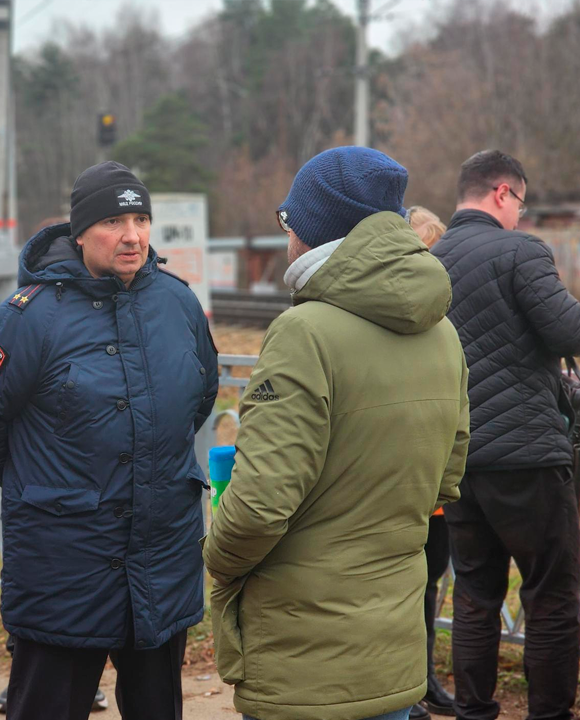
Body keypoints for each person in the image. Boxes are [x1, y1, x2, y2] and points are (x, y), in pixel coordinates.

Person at [201, 146, 470, 720]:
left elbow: (257, 509)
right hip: (392, 648)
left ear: (315, 232)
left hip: (305, 662)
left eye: (288, 221)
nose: (285, 236)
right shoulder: (442, 331)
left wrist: (216, 558)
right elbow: (447, 478)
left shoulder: (304, 332)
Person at [0, 161, 219, 720]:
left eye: (141, 218)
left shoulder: (178, 305)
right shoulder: (27, 320)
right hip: (64, 566)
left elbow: (199, 398)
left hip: (160, 558)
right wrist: (44, 477)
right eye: (114, 220)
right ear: (80, 233)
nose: (132, 235)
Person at [431, 150, 580, 720]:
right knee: (549, 592)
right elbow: (566, 327)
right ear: (502, 193)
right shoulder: (520, 250)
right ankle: (548, 712)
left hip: (459, 456)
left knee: (474, 592)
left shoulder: (433, 258)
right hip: (527, 455)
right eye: (521, 201)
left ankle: (474, 712)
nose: (521, 213)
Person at [406, 205, 454, 720]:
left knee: (430, 585)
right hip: (407, 486)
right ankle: (408, 687)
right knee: (404, 590)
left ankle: (425, 679)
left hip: (436, 490)